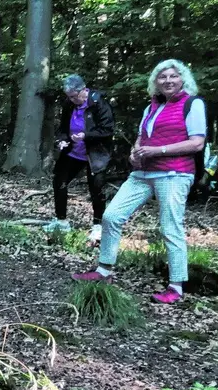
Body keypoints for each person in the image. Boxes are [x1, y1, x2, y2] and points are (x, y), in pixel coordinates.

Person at [72, 59, 207, 304]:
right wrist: (135, 153)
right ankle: (103, 271)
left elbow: (197, 142)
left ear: (182, 79)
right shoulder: (151, 107)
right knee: (112, 216)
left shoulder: (192, 104)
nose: (167, 81)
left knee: (170, 227)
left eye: (173, 76)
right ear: (155, 82)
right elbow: (141, 137)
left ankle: (176, 286)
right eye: (162, 77)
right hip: (143, 173)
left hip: (174, 174)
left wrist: (159, 151)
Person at [46, 74, 115, 244]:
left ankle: (98, 226)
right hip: (73, 152)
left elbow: (107, 129)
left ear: (83, 90)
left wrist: (86, 136)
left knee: (96, 188)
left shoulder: (98, 103)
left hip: (96, 153)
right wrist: (61, 140)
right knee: (59, 181)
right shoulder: (69, 104)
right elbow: (62, 128)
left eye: (74, 96)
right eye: (69, 97)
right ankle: (61, 221)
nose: (72, 100)